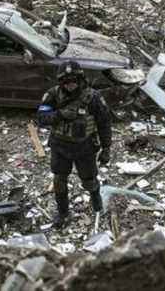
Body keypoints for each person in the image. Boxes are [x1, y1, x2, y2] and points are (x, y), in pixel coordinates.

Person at [37, 60, 112, 228]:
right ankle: (63, 212)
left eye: (73, 81)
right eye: (66, 82)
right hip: (60, 146)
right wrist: (61, 115)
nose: (70, 85)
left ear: (80, 80)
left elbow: (104, 123)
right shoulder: (53, 94)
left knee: (89, 181)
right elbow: (41, 118)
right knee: (59, 180)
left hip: (84, 148)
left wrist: (107, 147)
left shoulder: (93, 97)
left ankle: (96, 203)